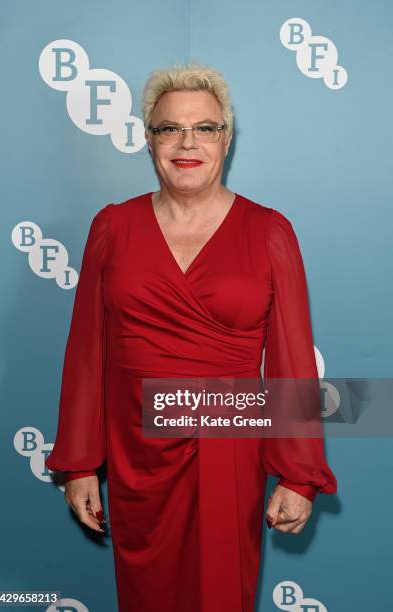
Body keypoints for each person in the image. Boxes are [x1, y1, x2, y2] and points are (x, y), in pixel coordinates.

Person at [45, 62, 337, 612]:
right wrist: (80, 462)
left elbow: (291, 359)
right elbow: (87, 352)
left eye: (204, 127)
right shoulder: (112, 225)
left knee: (221, 592)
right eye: (168, 128)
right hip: (139, 456)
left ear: (225, 138)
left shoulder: (269, 230)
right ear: (148, 138)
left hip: (229, 450)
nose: (187, 143)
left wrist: (299, 474)